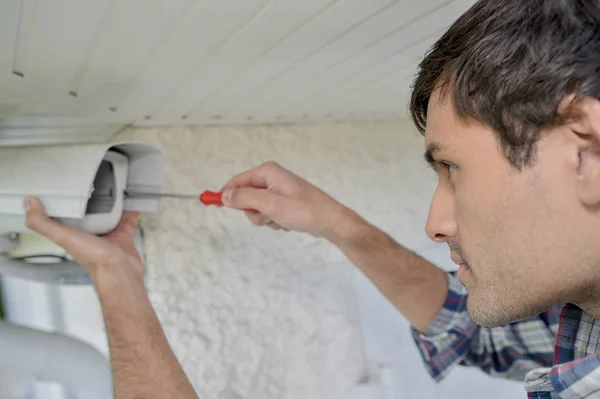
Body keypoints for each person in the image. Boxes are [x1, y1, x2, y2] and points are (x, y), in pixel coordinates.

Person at [22, 0, 600, 397]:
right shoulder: (582, 320)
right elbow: (473, 332)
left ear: (587, 151)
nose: (435, 221)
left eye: (453, 167)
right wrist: (335, 222)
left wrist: (116, 275)